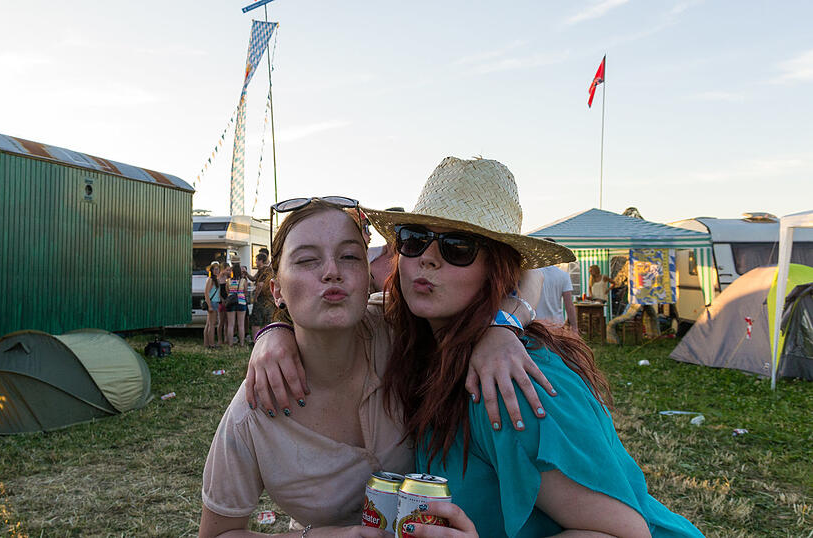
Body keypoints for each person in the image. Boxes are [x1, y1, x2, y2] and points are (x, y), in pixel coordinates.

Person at [361, 156, 701, 537]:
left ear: (497, 271)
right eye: (414, 239)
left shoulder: (510, 382)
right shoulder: (428, 351)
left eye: (457, 247)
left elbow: (626, 533)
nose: (427, 258)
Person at [199, 198, 555, 537]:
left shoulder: (400, 325)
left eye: (350, 256)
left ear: (367, 274)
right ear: (277, 290)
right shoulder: (253, 412)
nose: (332, 272)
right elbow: (217, 533)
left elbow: (531, 272)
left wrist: (503, 325)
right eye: (307, 260)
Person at [536, 262, 577, 332]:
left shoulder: (533, 274)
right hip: (556, 323)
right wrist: (574, 326)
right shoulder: (564, 275)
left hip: (536, 324)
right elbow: (569, 305)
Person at [249, 252, 275, 336]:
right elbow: (253, 278)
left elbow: (260, 285)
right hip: (270, 299)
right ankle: (266, 339)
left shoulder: (263, 270)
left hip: (261, 299)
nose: (255, 262)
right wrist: (246, 274)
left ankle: (256, 341)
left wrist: (255, 297)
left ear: (261, 261)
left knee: (256, 322)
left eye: (256, 260)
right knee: (267, 321)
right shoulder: (270, 270)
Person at [225, 254, 248, 347]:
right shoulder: (243, 280)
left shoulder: (228, 281)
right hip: (241, 301)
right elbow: (245, 291)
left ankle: (230, 344)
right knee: (241, 324)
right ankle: (242, 343)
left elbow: (227, 291)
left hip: (231, 302)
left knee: (231, 324)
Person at [204, 261, 222, 348]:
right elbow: (206, 293)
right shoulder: (210, 279)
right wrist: (209, 305)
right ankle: (211, 344)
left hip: (215, 302)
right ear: (211, 270)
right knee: (212, 324)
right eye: (215, 269)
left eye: (217, 269)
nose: (216, 271)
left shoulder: (216, 280)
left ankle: (207, 343)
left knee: (208, 324)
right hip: (212, 303)